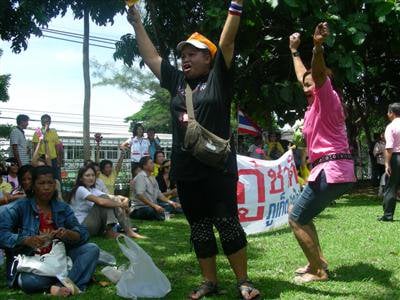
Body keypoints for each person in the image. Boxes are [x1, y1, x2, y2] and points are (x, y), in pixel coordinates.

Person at [127, 1, 260, 299]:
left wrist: (235, 7)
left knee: (227, 224)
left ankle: (243, 281)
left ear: (208, 58)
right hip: (186, 172)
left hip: (218, 169)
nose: (184, 59)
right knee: (199, 227)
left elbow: (227, 41)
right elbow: (151, 56)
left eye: (192, 54)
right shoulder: (176, 82)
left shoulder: (219, 79)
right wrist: (137, 23)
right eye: (183, 55)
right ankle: (209, 282)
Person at [288, 23, 355, 283]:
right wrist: (294, 52)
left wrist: (317, 47)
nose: (306, 87)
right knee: (304, 214)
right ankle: (317, 261)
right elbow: (304, 76)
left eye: (311, 84)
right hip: (332, 171)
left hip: (332, 171)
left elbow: (314, 74)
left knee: (296, 218)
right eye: (304, 85)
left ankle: (318, 271)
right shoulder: (314, 101)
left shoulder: (327, 97)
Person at [0, 166, 99, 296]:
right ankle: (69, 281)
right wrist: (25, 240)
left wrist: (69, 234)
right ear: (33, 185)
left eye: (50, 183)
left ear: (55, 185)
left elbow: (82, 233)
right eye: (41, 183)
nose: (46, 187)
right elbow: (2, 234)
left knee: (91, 249)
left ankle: (58, 286)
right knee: (28, 282)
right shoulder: (19, 207)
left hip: (60, 258)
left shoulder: (63, 208)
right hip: (33, 263)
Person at [69, 165, 144, 239]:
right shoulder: (80, 189)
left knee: (112, 200)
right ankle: (113, 231)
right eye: (87, 175)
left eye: (93, 175)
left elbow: (113, 197)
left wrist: (125, 199)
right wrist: (121, 204)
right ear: (81, 178)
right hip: (82, 227)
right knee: (104, 200)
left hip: (95, 226)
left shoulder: (93, 190)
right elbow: (101, 201)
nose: (91, 178)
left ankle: (127, 231)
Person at [379, 103, 400, 221]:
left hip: (396, 158)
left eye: (388, 112)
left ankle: (388, 215)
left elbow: (389, 148)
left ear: (392, 113)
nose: (387, 114)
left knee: (391, 186)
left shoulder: (391, 127)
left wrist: (387, 164)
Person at [32, 114, 63, 181]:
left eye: (47, 121)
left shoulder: (53, 131)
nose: (46, 123)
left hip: (53, 158)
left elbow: (57, 145)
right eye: (44, 121)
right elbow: (35, 147)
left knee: (55, 178)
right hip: (42, 159)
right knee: (42, 177)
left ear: (50, 122)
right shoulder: (38, 131)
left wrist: (58, 159)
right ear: (41, 122)